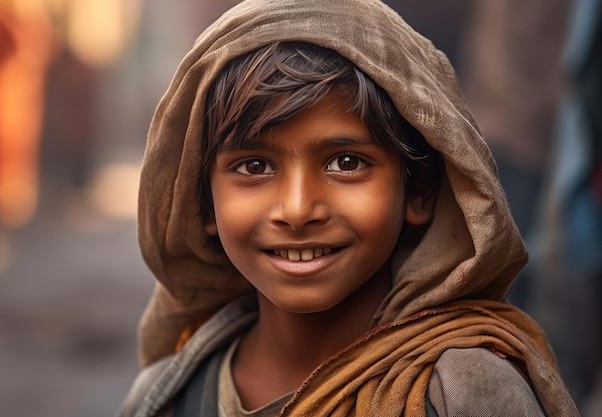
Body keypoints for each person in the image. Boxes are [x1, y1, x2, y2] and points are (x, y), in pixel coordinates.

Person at [117, 1, 579, 416]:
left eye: (346, 163)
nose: (298, 210)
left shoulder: (467, 393)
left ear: (418, 190)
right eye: (254, 166)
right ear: (205, 204)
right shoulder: (168, 394)